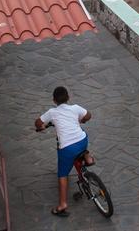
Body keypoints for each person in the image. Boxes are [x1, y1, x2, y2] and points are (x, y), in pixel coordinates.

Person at [34, 86, 95, 217]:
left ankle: (62, 205)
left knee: (62, 175)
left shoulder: (52, 112)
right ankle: (87, 156)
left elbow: (38, 122)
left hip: (67, 148)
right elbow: (88, 115)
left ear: (54, 100)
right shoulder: (75, 108)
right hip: (82, 141)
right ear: (68, 97)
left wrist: (42, 126)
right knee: (81, 133)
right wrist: (82, 120)